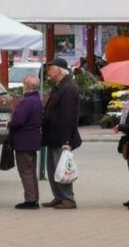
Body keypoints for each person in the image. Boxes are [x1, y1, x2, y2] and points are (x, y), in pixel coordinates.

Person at [42, 58, 80, 210]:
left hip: (61, 137)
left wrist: (66, 139)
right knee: (53, 169)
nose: (48, 72)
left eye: (50, 69)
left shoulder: (68, 88)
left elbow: (68, 115)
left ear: (59, 70)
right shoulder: (59, 86)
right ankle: (58, 196)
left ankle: (68, 198)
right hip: (53, 136)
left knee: (63, 168)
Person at [9, 74, 43, 210]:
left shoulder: (26, 102)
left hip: (23, 140)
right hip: (33, 139)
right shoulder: (37, 100)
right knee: (31, 170)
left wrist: (9, 123)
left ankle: (30, 200)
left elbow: (19, 120)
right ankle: (34, 198)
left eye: (24, 84)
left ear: (27, 86)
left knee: (25, 171)